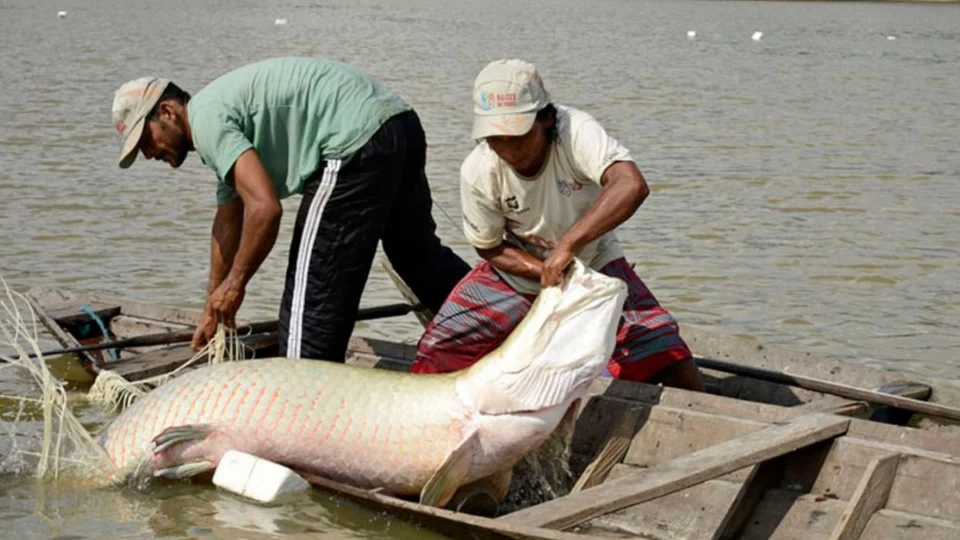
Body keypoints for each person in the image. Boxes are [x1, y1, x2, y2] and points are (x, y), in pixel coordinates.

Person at [110, 56, 470, 361]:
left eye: (146, 140)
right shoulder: (217, 117)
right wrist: (211, 306)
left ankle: (304, 413)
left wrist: (235, 285)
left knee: (309, 311)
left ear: (168, 112)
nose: (149, 154)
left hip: (352, 142)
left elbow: (265, 210)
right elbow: (227, 222)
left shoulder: (206, 121)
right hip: (399, 124)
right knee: (417, 257)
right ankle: (500, 323)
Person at [410, 59, 705, 391]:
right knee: (436, 351)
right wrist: (543, 270)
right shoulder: (478, 169)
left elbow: (630, 184)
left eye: (518, 136)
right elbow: (489, 246)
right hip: (516, 272)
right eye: (495, 138)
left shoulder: (574, 131)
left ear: (547, 119)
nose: (507, 149)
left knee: (666, 353)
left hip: (593, 264)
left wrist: (568, 247)